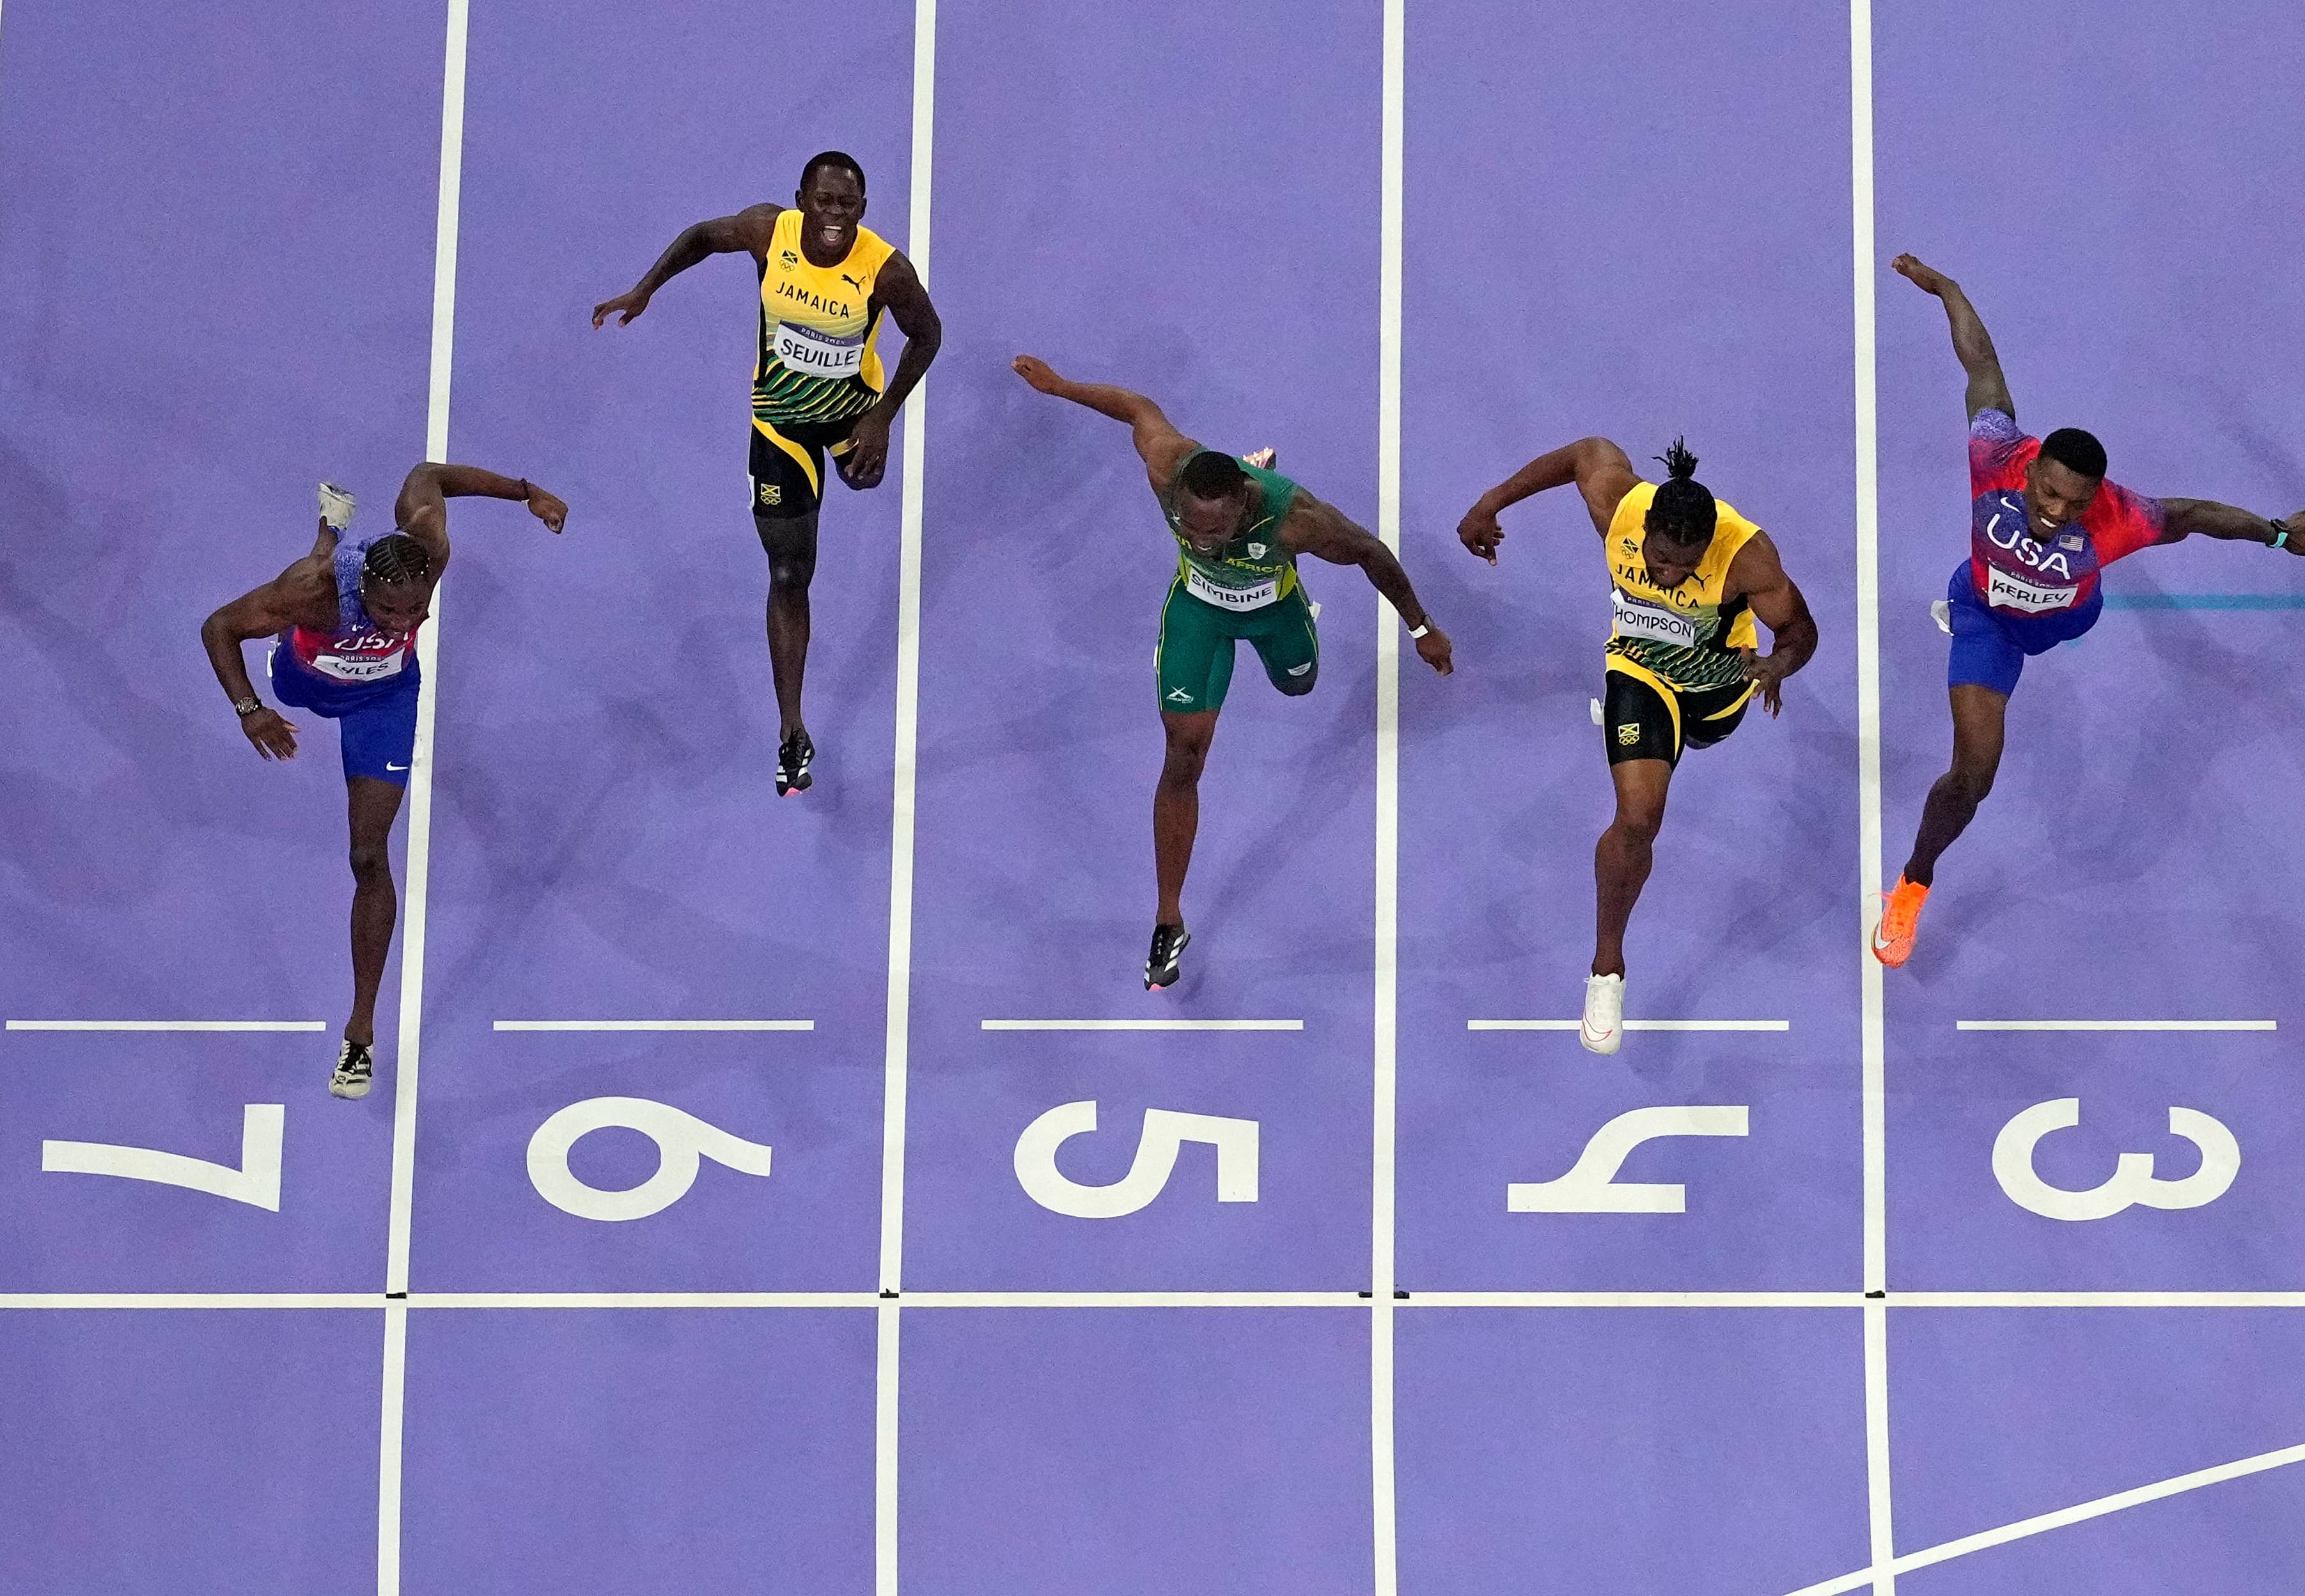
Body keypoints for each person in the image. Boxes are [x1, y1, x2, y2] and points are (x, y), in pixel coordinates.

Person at [1872, 253, 2305, 966]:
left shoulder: (2119, 515)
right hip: (1987, 617)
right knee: (1974, 775)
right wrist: (1948, 289)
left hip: (2064, 616)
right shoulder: (1994, 453)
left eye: (2072, 503)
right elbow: (1981, 367)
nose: (2054, 512)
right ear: (2030, 470)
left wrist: (2278, 533)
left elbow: (2191, 514)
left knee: (2069, 619)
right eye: (2047, 494)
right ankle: (1914, 880)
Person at [1012, 354, 1455, 989]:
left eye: (1213, 529)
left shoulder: (1294, 518)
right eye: (1188, 526)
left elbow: (1367, 552)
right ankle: (1169, 918)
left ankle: (1279, 560)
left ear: (1243, 501)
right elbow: (1137, 409)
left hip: (1271, 606)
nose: (1198, 537)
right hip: (1200, 611)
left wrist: (1419, 628)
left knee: (1298, 684)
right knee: (1183, 753)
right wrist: (1060, 388)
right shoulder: (1168, 465)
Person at [201, 468, 568, 1097]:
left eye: (416, 610)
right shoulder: (310, 595)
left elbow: (430, 477)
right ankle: (327, 539)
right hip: (303, 676)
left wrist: (526, 492)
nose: (402, 623)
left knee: (368, 857)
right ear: (363, 587)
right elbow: (219, 627)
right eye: (387, 610)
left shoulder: (431, 546)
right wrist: (249, 710)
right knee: (308, 570)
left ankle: (359, 1035)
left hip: (384, 701)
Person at [593, 150, 942, 795]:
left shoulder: (886, 270)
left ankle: (850, 457)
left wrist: (884, 416)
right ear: (802, 199)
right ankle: (791, 728)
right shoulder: (767, 231)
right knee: (789, 572)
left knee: (863, 477)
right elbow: (702, 237)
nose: (835, 214)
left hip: (848, 416)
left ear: (861, 210)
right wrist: (645, 289)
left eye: (848, 205)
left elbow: (927, 335)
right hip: (779, 425)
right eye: (824, 200)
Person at [1460, 436, 1817, 1052]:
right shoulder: (1620, 505)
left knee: (1698, 744)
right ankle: (1606, 970)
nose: (1670, 574)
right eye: (1660, 557)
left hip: (1719, 690)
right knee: (1638, 817)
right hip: (1640, 672)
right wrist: (1492, 502)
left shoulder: (1746, 556)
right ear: (1646, 526)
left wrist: (1780, 664)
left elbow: (1799, 627)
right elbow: (1585, 453)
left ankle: (1686, 733)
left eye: (1685, 564)